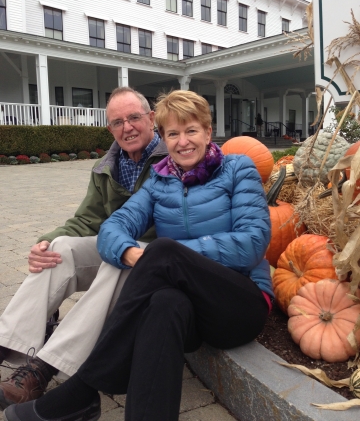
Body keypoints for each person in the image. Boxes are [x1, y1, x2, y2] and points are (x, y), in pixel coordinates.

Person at [3, 90, 273, 421]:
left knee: (162, 251)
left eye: (191, 130)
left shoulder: (237, 169)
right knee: (164, 304)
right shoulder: (160, 181)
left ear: (207, 131)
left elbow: (252, 243)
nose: (182, 141)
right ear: (164, 138)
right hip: (188, 307)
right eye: (173, 133)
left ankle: (81, 390)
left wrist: (166, 257)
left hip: (237, 301)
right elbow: (112, 228)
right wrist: (133, 254)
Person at [0, 87, 168, 408]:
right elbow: (87, 220)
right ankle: (7, 341)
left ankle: (43, 369)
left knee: (118, 258)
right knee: (61, 248)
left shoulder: (172, 158)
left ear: (151, 118)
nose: (127, 127)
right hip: (118, 248)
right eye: (117, 122)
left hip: (152, 261)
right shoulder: (107, 165)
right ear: (109, 129)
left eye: (133, 118)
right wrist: (45, 242)